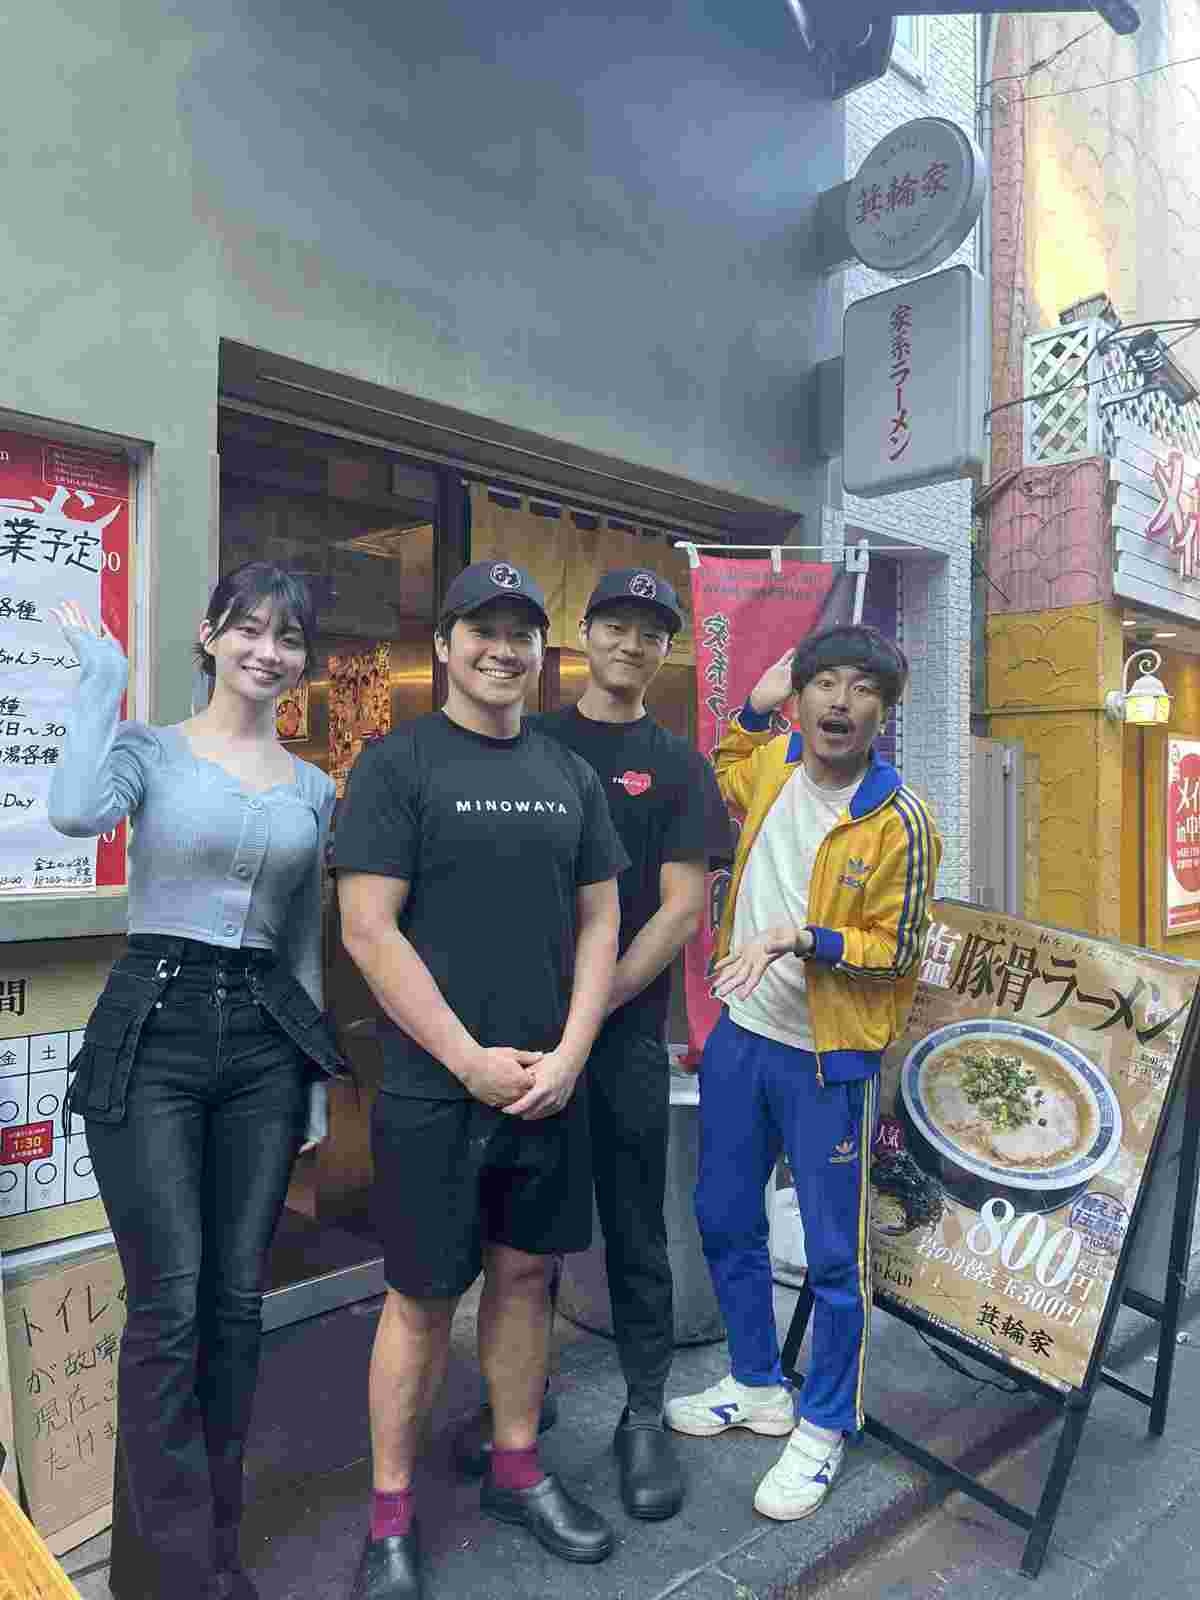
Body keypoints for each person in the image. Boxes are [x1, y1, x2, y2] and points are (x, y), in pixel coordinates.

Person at [333, 560, 628, 1600]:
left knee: (526, 1277)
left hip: (546, 1082)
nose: (504, 649)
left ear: (542, 652)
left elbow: (602, 921)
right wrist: (467, 1060)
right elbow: (366, 929)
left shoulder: (569, 773)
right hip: (434, 1088)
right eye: (484, 630)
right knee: (420, 1299)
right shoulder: (397, 765)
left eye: (522, 633)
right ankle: (389, 1519)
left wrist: (575, 1050)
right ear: (446, 644)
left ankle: (515, 1466)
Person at [48, 565, 343, 1600]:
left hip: (265, 1041)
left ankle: (191, 1555)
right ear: (211, 636)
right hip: (155, 1030)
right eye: (249, 628)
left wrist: (313, 1085)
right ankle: (184, 1578)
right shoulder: (150, 750)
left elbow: (301, 944)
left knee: (232, 1306)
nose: (269, 651)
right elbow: (73, 810)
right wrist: (102, 681)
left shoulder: (313, 788)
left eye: (289, 637)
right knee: (169, 1307)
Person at [453, 566, 731, 1518]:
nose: (630, 643)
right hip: (519, 1043)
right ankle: (516, 1406)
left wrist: (591, 1006)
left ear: (666, 651)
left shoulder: (679, 765)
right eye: (615, 624)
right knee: (516, 1241)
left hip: (622, 1042)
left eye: (651, 632)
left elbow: (682, 907)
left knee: (635, 1231)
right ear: (584, 632)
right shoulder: (529, 741)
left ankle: (644, 1414)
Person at [665, 624, 940, 1523]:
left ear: (884, 711)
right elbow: (725, 765)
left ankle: (825, 1422)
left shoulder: (899, 819)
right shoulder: (777, 762)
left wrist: (801, 937)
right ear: (803, 695)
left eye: (863, 688)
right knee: (724, 1215)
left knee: (832, 1254)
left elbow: (899, 948)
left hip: (828, 1058)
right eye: (824, 683)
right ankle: (756, 1382)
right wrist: (753, 704)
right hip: (742, 1035)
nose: (839, 702)